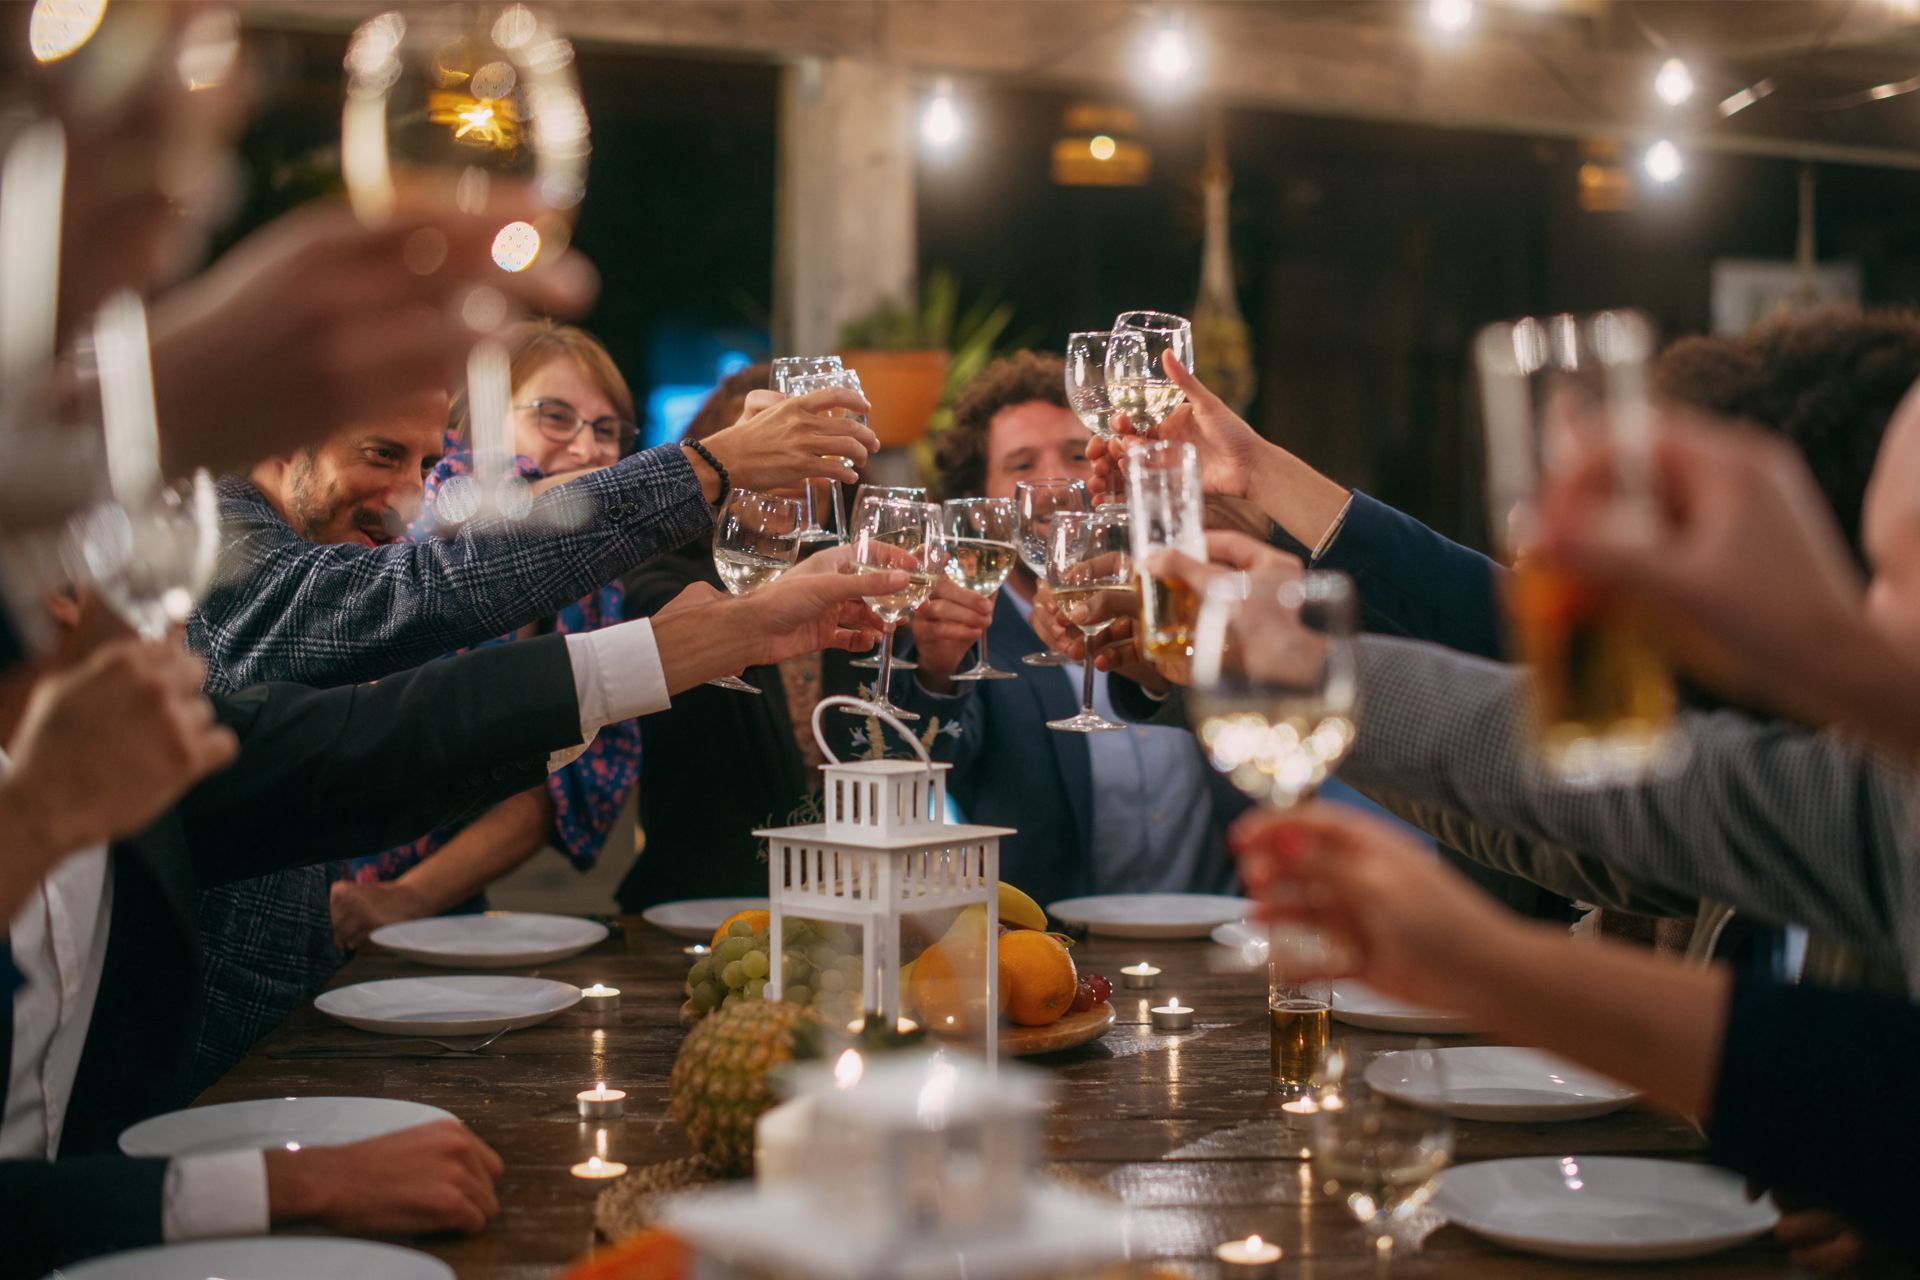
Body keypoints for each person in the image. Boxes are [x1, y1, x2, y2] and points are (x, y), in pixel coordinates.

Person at [3, 562, 900, 1280]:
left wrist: (709, 639)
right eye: (164, 570)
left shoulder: (116, 748)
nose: (199, 620)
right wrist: (285, 1182)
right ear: (57, 586)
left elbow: (381, 738)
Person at [187, 378, 882, 1087]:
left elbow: (409, 736)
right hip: (193, 1074)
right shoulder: (204, 535)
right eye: (381, 453)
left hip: (280, 1038)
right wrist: (707, 466)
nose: (407, 499)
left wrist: (700, 639)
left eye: (425, 467)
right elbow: (416, 600)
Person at [871, 352, 1245, 907]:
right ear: (981, 503)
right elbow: (918, 770)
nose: (1054, 482)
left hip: (1223, 932)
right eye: (1022, 465)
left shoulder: (1188, 598)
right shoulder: (969, 636)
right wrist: (936, 670)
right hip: (1058, 960)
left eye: (1076, 454)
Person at [330, 321, 645, 949]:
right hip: (303, 876)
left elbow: (559, 782)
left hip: (437, 904)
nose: (587, 450)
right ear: (473, 423)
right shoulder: (434, 502)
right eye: (555, 416)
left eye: (606, 430)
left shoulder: (595, 589)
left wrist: (406, 898)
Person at [615, 366, 877, 910]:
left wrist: (944, 666)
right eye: (772, 447)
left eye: (813, 451)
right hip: (696, 913)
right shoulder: (659, 584)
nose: (790, 472)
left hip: (849, 913)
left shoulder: (865, 594)